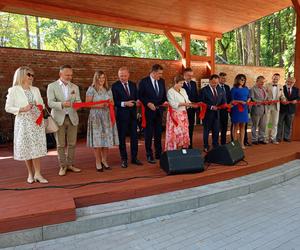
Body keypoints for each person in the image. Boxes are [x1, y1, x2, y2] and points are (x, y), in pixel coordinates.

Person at [5, 66, 48, 184]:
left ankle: (38, 174)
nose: (31, 77)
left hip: (36, 121)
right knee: (27, 147)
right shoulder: (13, 90)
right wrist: (22, 109)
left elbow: (42, 104)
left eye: (32, 75)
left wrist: (39, 106)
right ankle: (30, 173)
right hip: (23, 122)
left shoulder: (35, 89)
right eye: (29, 75)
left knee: (36, 147)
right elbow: (8, 108)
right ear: (22, 75)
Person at [47, 65, 82, 176]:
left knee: (72, 143)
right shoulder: (51, 86)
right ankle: (63, 166)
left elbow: (79, 101)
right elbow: (50, 103)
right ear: (60, 74)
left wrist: (78, 105)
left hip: (72, 117)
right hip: (58, 118)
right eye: (67, 75)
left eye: (71, 75)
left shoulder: (75, 87)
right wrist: (62, 104)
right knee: (60, 144)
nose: (69, 77)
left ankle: (70, 164)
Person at [86, 70, 119, 171]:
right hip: (96, 117)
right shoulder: (91, 89)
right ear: (96, 78)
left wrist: (110, 103)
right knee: (98, 141)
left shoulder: (108, 89)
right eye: (99, 78)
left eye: (103, 78)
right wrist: (100, 105)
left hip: (106, 117)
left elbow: (112, 102)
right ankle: (97, 161)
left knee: (106, 141)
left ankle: (104, 160)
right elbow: (87, 104)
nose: (101, 80)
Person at [112, 67, 142, 168]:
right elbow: (114, 102)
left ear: (128, 75)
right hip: (121, 116)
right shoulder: (115, 86)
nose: (123, 78)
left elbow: (137, 97)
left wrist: (138, 101)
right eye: (121, 76)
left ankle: (134, 158)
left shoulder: (133, 85)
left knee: (134, 138)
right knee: (122, 139)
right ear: (118, 75)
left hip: (133, 116)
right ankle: (124, 159)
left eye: (124, 76)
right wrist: (125, 103)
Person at [138, 64, 167, 164]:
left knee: (158, 133)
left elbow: (164, 95)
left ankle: (158, 154)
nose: (161, 75)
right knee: (148, 134)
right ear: (153, 72)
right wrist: (147, 103)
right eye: (159, 73)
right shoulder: (144, 81)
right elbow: (140, 95)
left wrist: (165, 102)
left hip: (159, 111)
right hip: (148, 112)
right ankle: (149, 155)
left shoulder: (162, 81)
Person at [165, 75, 197, 150]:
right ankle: (173, 150)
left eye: (182, 83)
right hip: (174, 115)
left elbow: (187, 100)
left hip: (183, 114)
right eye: (180, 83)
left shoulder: (183, 90)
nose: (182, 85)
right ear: (175, 82)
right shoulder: (170, 91)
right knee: (175, 133)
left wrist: (192, 104)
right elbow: (173, 104)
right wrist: (184, 104)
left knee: (183, 132)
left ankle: (182, 149)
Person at [199, 74, 226, 152]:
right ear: (210, 81)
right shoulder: (203, 90)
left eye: (217, 83)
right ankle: (206, 146)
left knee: (216, 130)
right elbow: (201, 102)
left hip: (217, 114)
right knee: (206, 131)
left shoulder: (220, 90)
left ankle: (215, 145)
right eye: (214, 83)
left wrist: (225, 105)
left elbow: (223, 101)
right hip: (207, 114)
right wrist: (210, 107)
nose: (215, 85)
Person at [276, 77, 299, 143]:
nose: (290, 83)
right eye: (289, 82)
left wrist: (296, 100)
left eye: (292, 82)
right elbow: (278, 97)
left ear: (294, 83)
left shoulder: (296, 89)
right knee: (279, 124)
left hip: (291, 109)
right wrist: (282, 100)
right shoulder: (281, 88)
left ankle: (286, 137)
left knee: (288, 124)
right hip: (282, 109)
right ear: (286, 81)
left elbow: (298, 97)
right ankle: (278, 137)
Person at [264, 73, 285, 144]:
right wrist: (267, 101)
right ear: (272, 78)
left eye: (277, 78)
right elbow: (264, 95)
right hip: (268, 106)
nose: (275, 79)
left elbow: (282, 96)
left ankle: (273, 138)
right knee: (268, 122)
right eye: (274, 78)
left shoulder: (281, 86)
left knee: (275, 123)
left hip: (276, 106)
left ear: (279, 79)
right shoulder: (266, 85)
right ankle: (266, 138)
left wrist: (284, 100)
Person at [230, 74, 250, 149]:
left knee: (243, 126)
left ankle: (242, 143)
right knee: (236, 126)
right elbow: (232, 100)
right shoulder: (233, 89)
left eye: (244, 79)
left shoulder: (246, 88)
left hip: (244, 109)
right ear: (237, 80)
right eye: (241, 79)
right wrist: (240, 101)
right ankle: (235, 144)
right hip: (236, 109)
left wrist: (248, 100)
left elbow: (249, 97)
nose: (243, 81)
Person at [182, 67, 199, 148]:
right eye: (188, 75)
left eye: (191, 75)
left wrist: (198, 104)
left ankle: (190, 144)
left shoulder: (193, 83)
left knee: (191, 127)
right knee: (183, 127)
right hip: (183, 109)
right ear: (184, 75)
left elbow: (195, 95)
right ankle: (183, 144)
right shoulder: (181, 84)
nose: (190, 77)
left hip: (192, 109)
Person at [250, 76, 268, 145]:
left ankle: (261, 138)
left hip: (264, 110)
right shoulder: (252, 89)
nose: (262, 83)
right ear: (257, 81)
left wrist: (267, 101)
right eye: (261, 82)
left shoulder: (264, 88)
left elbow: (266, 97)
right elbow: (252, 98)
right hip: (256, 109)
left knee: (263, 125)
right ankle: (254, 139)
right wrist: (261, 102)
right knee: (255, 125)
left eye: (263, 82)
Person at [218, 72, 231, 145]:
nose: (224, 80)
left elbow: (229, 97)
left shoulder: (227, 87)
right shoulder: (216, 87)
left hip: (225, 110)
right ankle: (216, 142)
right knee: (217, 127)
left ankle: (223, 141)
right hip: (218, 110)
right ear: (219, 78)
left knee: (224, 126)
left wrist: (229, 104)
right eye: (222, 78)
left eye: (225, 78)